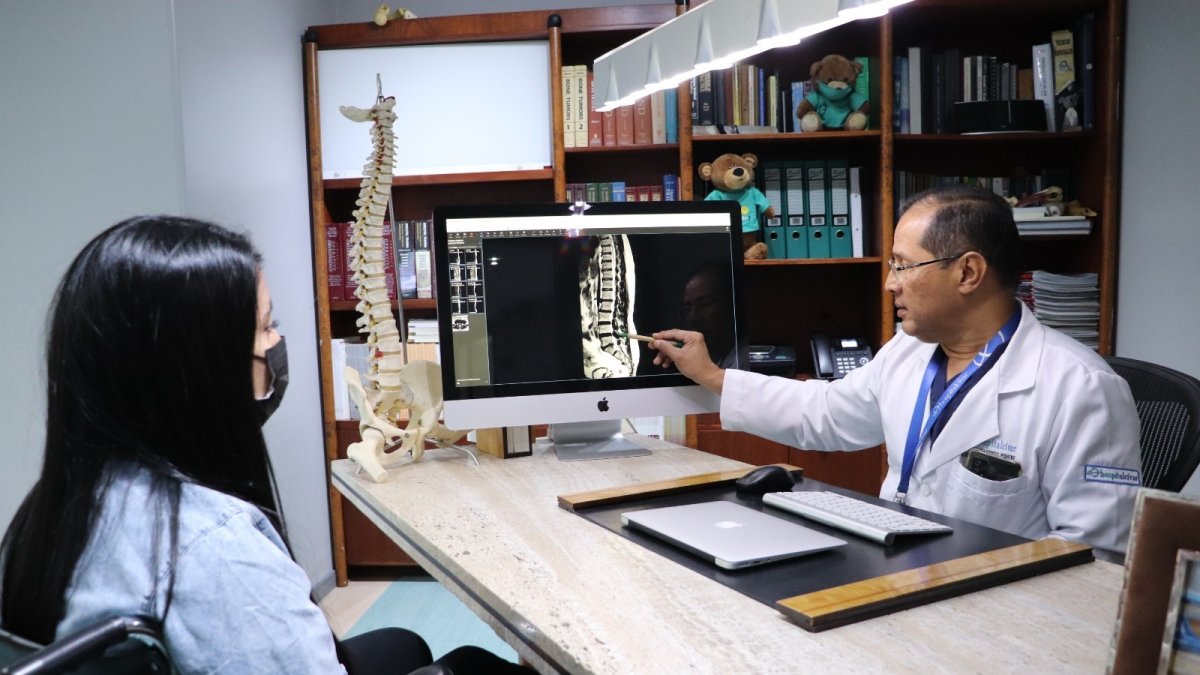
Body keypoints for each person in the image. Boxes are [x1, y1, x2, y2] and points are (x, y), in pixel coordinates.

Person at [0, 216, 532, 674]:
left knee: (403, 643)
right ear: (197, 371)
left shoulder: (48, 510)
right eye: (266, 328)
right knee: (475, 663)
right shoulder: (215, 548)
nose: (278, 345)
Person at [650, 185, 1142, 555]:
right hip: (900, 572)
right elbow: (825, 413)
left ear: (968, 272)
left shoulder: (1082, 391)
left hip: (997, 616)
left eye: (902, 266)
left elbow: (1096, 555)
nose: (889, 284)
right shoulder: (909, 351)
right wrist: (713, 377)